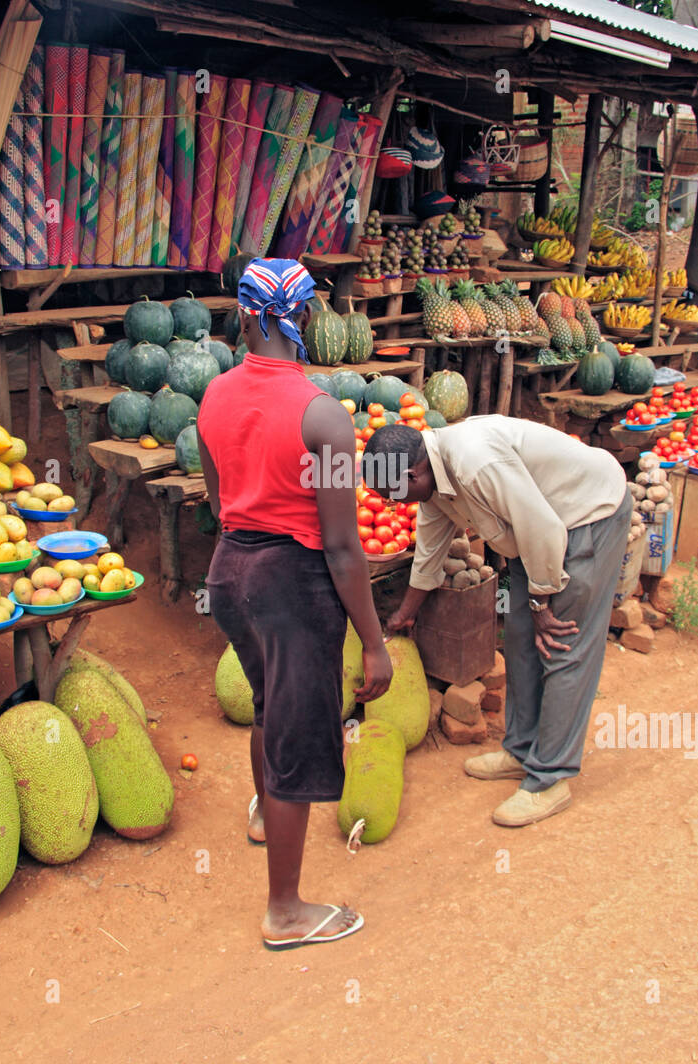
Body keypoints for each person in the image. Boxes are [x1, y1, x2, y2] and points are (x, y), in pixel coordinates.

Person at [197, 258, 393, 950]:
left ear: (246, 315)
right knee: (299, 734)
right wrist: (373, 641)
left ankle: (262, 819)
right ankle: (285, 911)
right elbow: (342, 548)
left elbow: (218, 503)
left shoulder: (214, 396)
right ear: (307, 317)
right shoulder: (325, 419)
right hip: (293, 587)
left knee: (265, 703)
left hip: (231, 575)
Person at [363, 415, 632, 827]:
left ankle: (550, 779)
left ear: (412, 472)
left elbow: (543, 529)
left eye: (392, 492)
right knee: (520, 638)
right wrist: (405, 613)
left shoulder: (475, 462)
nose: (392, 504)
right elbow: (430, 551)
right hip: (534, 537)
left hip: (584, 519)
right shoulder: (431, 480)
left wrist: (543, 605)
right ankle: (521, 749)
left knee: (561, 645)